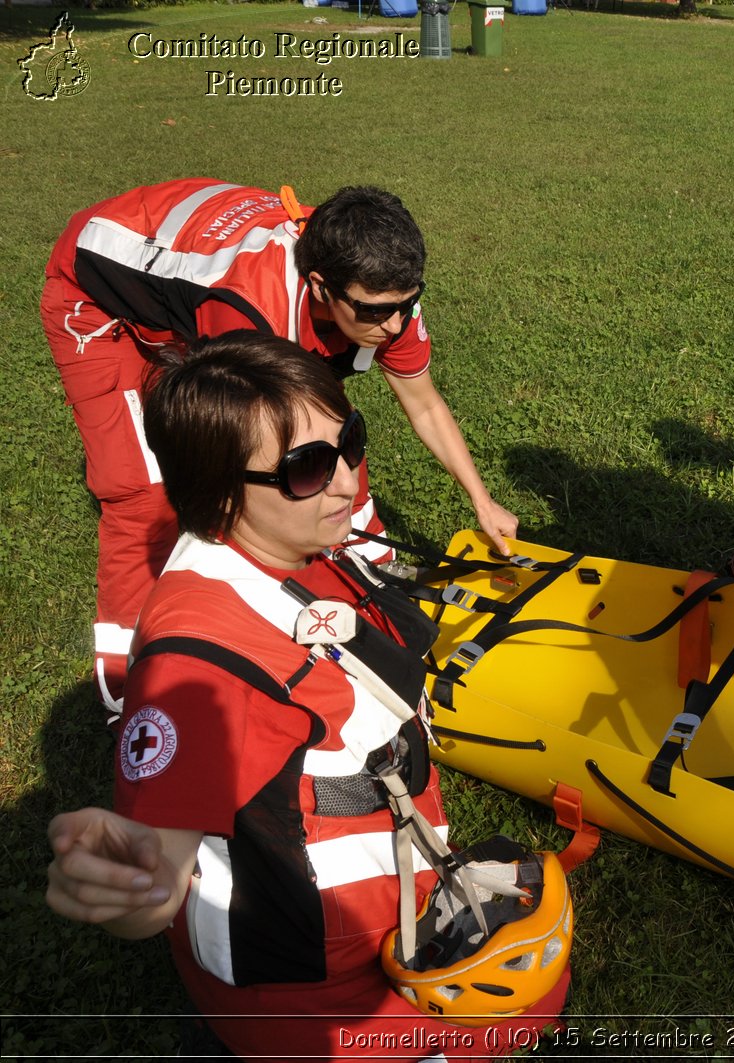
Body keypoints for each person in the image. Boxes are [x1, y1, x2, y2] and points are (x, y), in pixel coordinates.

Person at [44, 334, 569, 1060]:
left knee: (542, 997)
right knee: (521, 1016)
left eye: (348, 440)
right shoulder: (196, 668)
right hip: (314, 999)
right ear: (223, 492)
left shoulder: (296, 546)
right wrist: (136, 890)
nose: (349, 481)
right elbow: (157, 875)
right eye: (307, 468)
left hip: (388, 924)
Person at [43, 180, 518, 713]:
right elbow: (246, 461)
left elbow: (424, 404)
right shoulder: (247, 307)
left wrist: (481, 498)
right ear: (320, 286)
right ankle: (131, 689)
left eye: (407, 305)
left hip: (189, 272)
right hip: (96, 293)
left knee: (328, 434)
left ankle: (368, 575)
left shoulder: (385, 294)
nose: (392, 326)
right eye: (372, 312)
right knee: (144, 494)